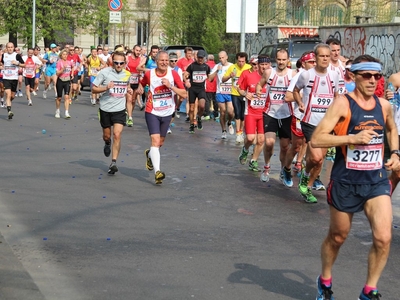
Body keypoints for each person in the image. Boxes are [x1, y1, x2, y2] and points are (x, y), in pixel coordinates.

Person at [311, 55, 399, 300]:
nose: (373, 81)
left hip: (376, 180)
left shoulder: (384, 105)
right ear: (353, 76)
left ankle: (369, 290)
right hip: (345, 181)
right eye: (367, 76)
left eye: (377, 76)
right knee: (337, 237)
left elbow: (391, 128)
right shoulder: (343, 104)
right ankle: (325, 279)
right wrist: (351, 138)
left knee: (383, 237)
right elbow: (317, 138)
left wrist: (395, 153)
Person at [293, 44, 340, 203]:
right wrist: (300, 102)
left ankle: (307, 184)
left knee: (319, 160)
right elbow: (295, 91)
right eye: (322, 56)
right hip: (310, 122)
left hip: (327, 124)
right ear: (315, 57)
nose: (325, 59)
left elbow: (336, 96)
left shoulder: (335, 75)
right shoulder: (306, 75)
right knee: (316, 157)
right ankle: (306, 177)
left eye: (328, 56)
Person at [138, 50, 186, 184]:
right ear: (156, 61)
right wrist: (140, 88)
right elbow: (142, 83)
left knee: (160, 143)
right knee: (155, 140)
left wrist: (170, 86)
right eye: (162, 60)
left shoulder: (173, 74)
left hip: (167, 112)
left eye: (166, 60)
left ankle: (150, 154)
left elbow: (184, 93)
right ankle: (157, 172)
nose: (165, 62)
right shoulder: (150, 74)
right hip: (152, 111)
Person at [256, 49, 297, 181]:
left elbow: (300, 90)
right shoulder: (269, 72)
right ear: (275, 59)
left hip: (287, 114)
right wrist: (257, 91)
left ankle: (282, 170)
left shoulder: (293, 74)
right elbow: (259, 84)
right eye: (279, 59)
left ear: (288, 60)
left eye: (284, 60)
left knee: (285, 146)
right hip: (270, 113)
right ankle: (267, 167)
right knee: (269, 142)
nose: (281, 62)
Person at [92, 51, 133, 175]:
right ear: (112, 62)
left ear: (125, 63)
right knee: (107, 135)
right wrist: (105, 88)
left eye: (121, 63)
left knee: (117, 135)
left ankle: (113, 162)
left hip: (119, 110)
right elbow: (94, 88)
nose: (119, 65)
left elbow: (127, 86)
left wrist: (129, 90)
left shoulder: (127, 74)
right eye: (116, 63)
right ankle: (107, 143)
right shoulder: (104, 73)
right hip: (105, 109)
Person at [282, 51, 316, 186]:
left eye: (315, 61)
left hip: (313, 117)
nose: (314, 64)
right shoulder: (299, 77)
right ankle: (287, 169)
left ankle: (310, 175)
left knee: (312, 147)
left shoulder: (320, 76)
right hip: (299, 116)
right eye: (311, 62)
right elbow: (288, 97)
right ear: (304, 63)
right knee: (296, 146)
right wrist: (304, 96)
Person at [237, 55, 270, 172]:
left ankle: (253, 161)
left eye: (266, 65)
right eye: (261, 65)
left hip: (264, 113)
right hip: (250, 111)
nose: (263, 67)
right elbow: (239, 88)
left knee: (261, 140)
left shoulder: (272, 77)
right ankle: (245, 150)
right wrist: (245, 94)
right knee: (250, 138)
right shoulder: (248, 75)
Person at [222, 52, 251, 143]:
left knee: (243, 115)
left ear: (245, 61)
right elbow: (223, 79)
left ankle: (241, 131)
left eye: (243, 61)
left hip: (245, 94)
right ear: (236, 60)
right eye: (239, 61)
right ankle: (238, 133)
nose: (241, 63)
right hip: (234, 93)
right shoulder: (232, 67)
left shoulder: (249, 68)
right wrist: (229, 76)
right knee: (237, 113)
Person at [208, 51, 234, 139]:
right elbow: (210, 79)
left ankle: (229, 122)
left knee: (230, 112)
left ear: (227, 57)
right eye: (220, 58)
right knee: (222, 111)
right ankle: (223, 130)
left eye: (223, 57)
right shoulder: (216, 66)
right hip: (220, 92)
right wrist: (217, 71)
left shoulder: (232, 66)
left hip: (230, 92)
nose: (221, 59)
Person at [183, 49, 211, 133]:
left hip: (201, 89)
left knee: (202, 106)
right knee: (191, 108)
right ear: (197, 57)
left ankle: (199, 117)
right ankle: (191, 125)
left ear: (204, 58)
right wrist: (186, 81)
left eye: (201, 58)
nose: (200, 59)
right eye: (199, 57)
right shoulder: (192, 66)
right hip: (192, 88)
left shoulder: (206, 67)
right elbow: (185, 75)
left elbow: (209, 77)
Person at [0, 42, 26, 119]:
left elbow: (24, 65)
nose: (10, 48)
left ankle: (8, 103)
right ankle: (9, 111)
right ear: (6, 48)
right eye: (8, 47)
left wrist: (17, 63)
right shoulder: (4, 55)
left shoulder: (17, 55)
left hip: (14, 78)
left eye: (11, 47)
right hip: (6, 78)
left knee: (12, 96)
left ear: (13, 48)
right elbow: (1, 63)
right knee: (8, 94)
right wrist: (1, 67)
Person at [125, 45, 143, 126]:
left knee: (133, 100)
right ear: (133, 50)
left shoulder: (141, 59)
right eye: (137, 50)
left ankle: (129, 114)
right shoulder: (127, 58)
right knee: (129, 99)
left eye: (139, 51)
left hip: (136, 81)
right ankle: (130, 118)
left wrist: (141, 84)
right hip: (128, 81)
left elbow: (142, 71)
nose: (138, 52)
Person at [55, 49, 75, 118]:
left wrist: (72, 74)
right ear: (61, 55)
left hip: (67, 80)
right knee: (59, 98)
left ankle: (66, 112)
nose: (65, 56)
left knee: (66, 97)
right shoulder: (59, 62)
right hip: (60, 80)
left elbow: (73, 67)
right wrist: (63, 69)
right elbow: (57, 73)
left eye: (66, 54)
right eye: (63, 54)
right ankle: (57, 110)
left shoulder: (69, 62)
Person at [204, 54, 217, 120]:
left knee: (207, 100)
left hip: (207, 85)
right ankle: (216, 114)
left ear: (207, 59)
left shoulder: (205, 65)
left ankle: (207, 114)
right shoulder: (216, 66)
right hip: (215, 85)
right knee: (215, 100)